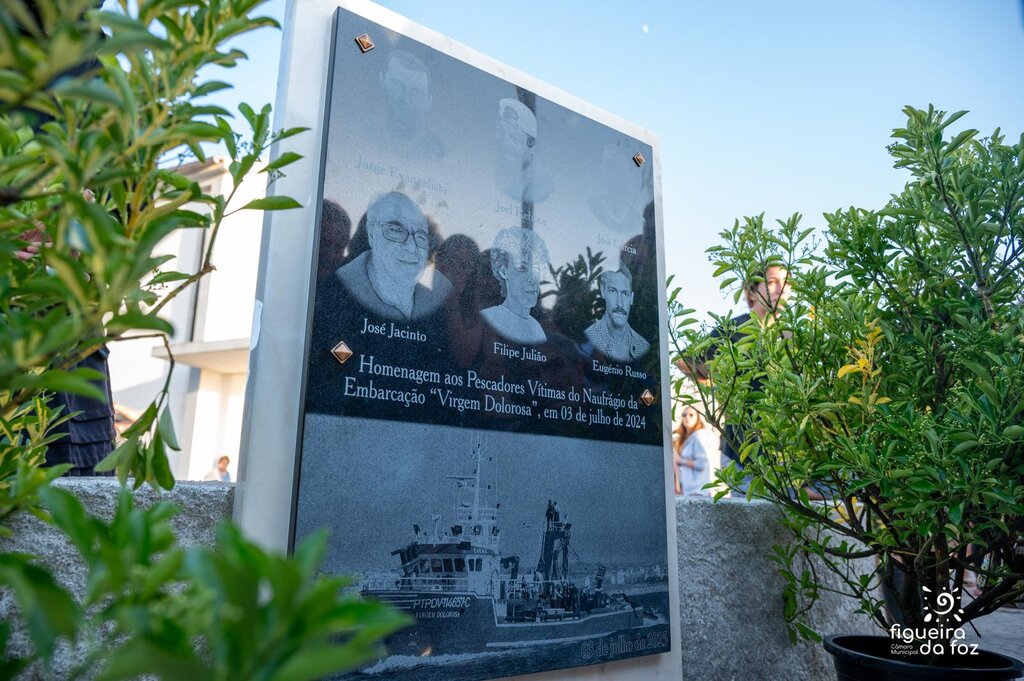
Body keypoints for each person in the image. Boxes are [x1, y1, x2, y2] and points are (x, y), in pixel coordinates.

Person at [678, 264, 792, 497]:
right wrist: (715, 378)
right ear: (751, 293)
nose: (781, 288)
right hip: (742, 453)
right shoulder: (734, 329)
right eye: (771, 282)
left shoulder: (790, 335)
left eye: (786, 282)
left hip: (786, 457)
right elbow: (684, 361)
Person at [335, 192, 451, 321]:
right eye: (396, 232)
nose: (412, 250)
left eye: (421, 241)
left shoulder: (428, 308)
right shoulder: (338, 291)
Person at [481, 226, 549, 345]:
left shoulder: (537, 329)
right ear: (504, 270)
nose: (531, 279)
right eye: (522, 268)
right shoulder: (487, 319)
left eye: (536, 270)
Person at [378, 50, 444, 160]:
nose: (406, 99)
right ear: (382, 81)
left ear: (428, 102)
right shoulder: (361, 131)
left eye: (416, 92)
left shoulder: (439, 153)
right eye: (397, 84)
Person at [583, 266, 650, 363]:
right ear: (603, 291)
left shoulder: (642, 346)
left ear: (631, 298)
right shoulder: (589, 338)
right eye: (613, 291)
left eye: (625, 294)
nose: (620, 303)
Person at [676, 406, 716, 496]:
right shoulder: (687, 438)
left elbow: (702, 464)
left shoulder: (699, 437)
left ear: (698, 417)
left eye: (691, 415)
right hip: (689, 490)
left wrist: (680, 460)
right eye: (684, 415)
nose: (687, 417)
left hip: (698, 491)